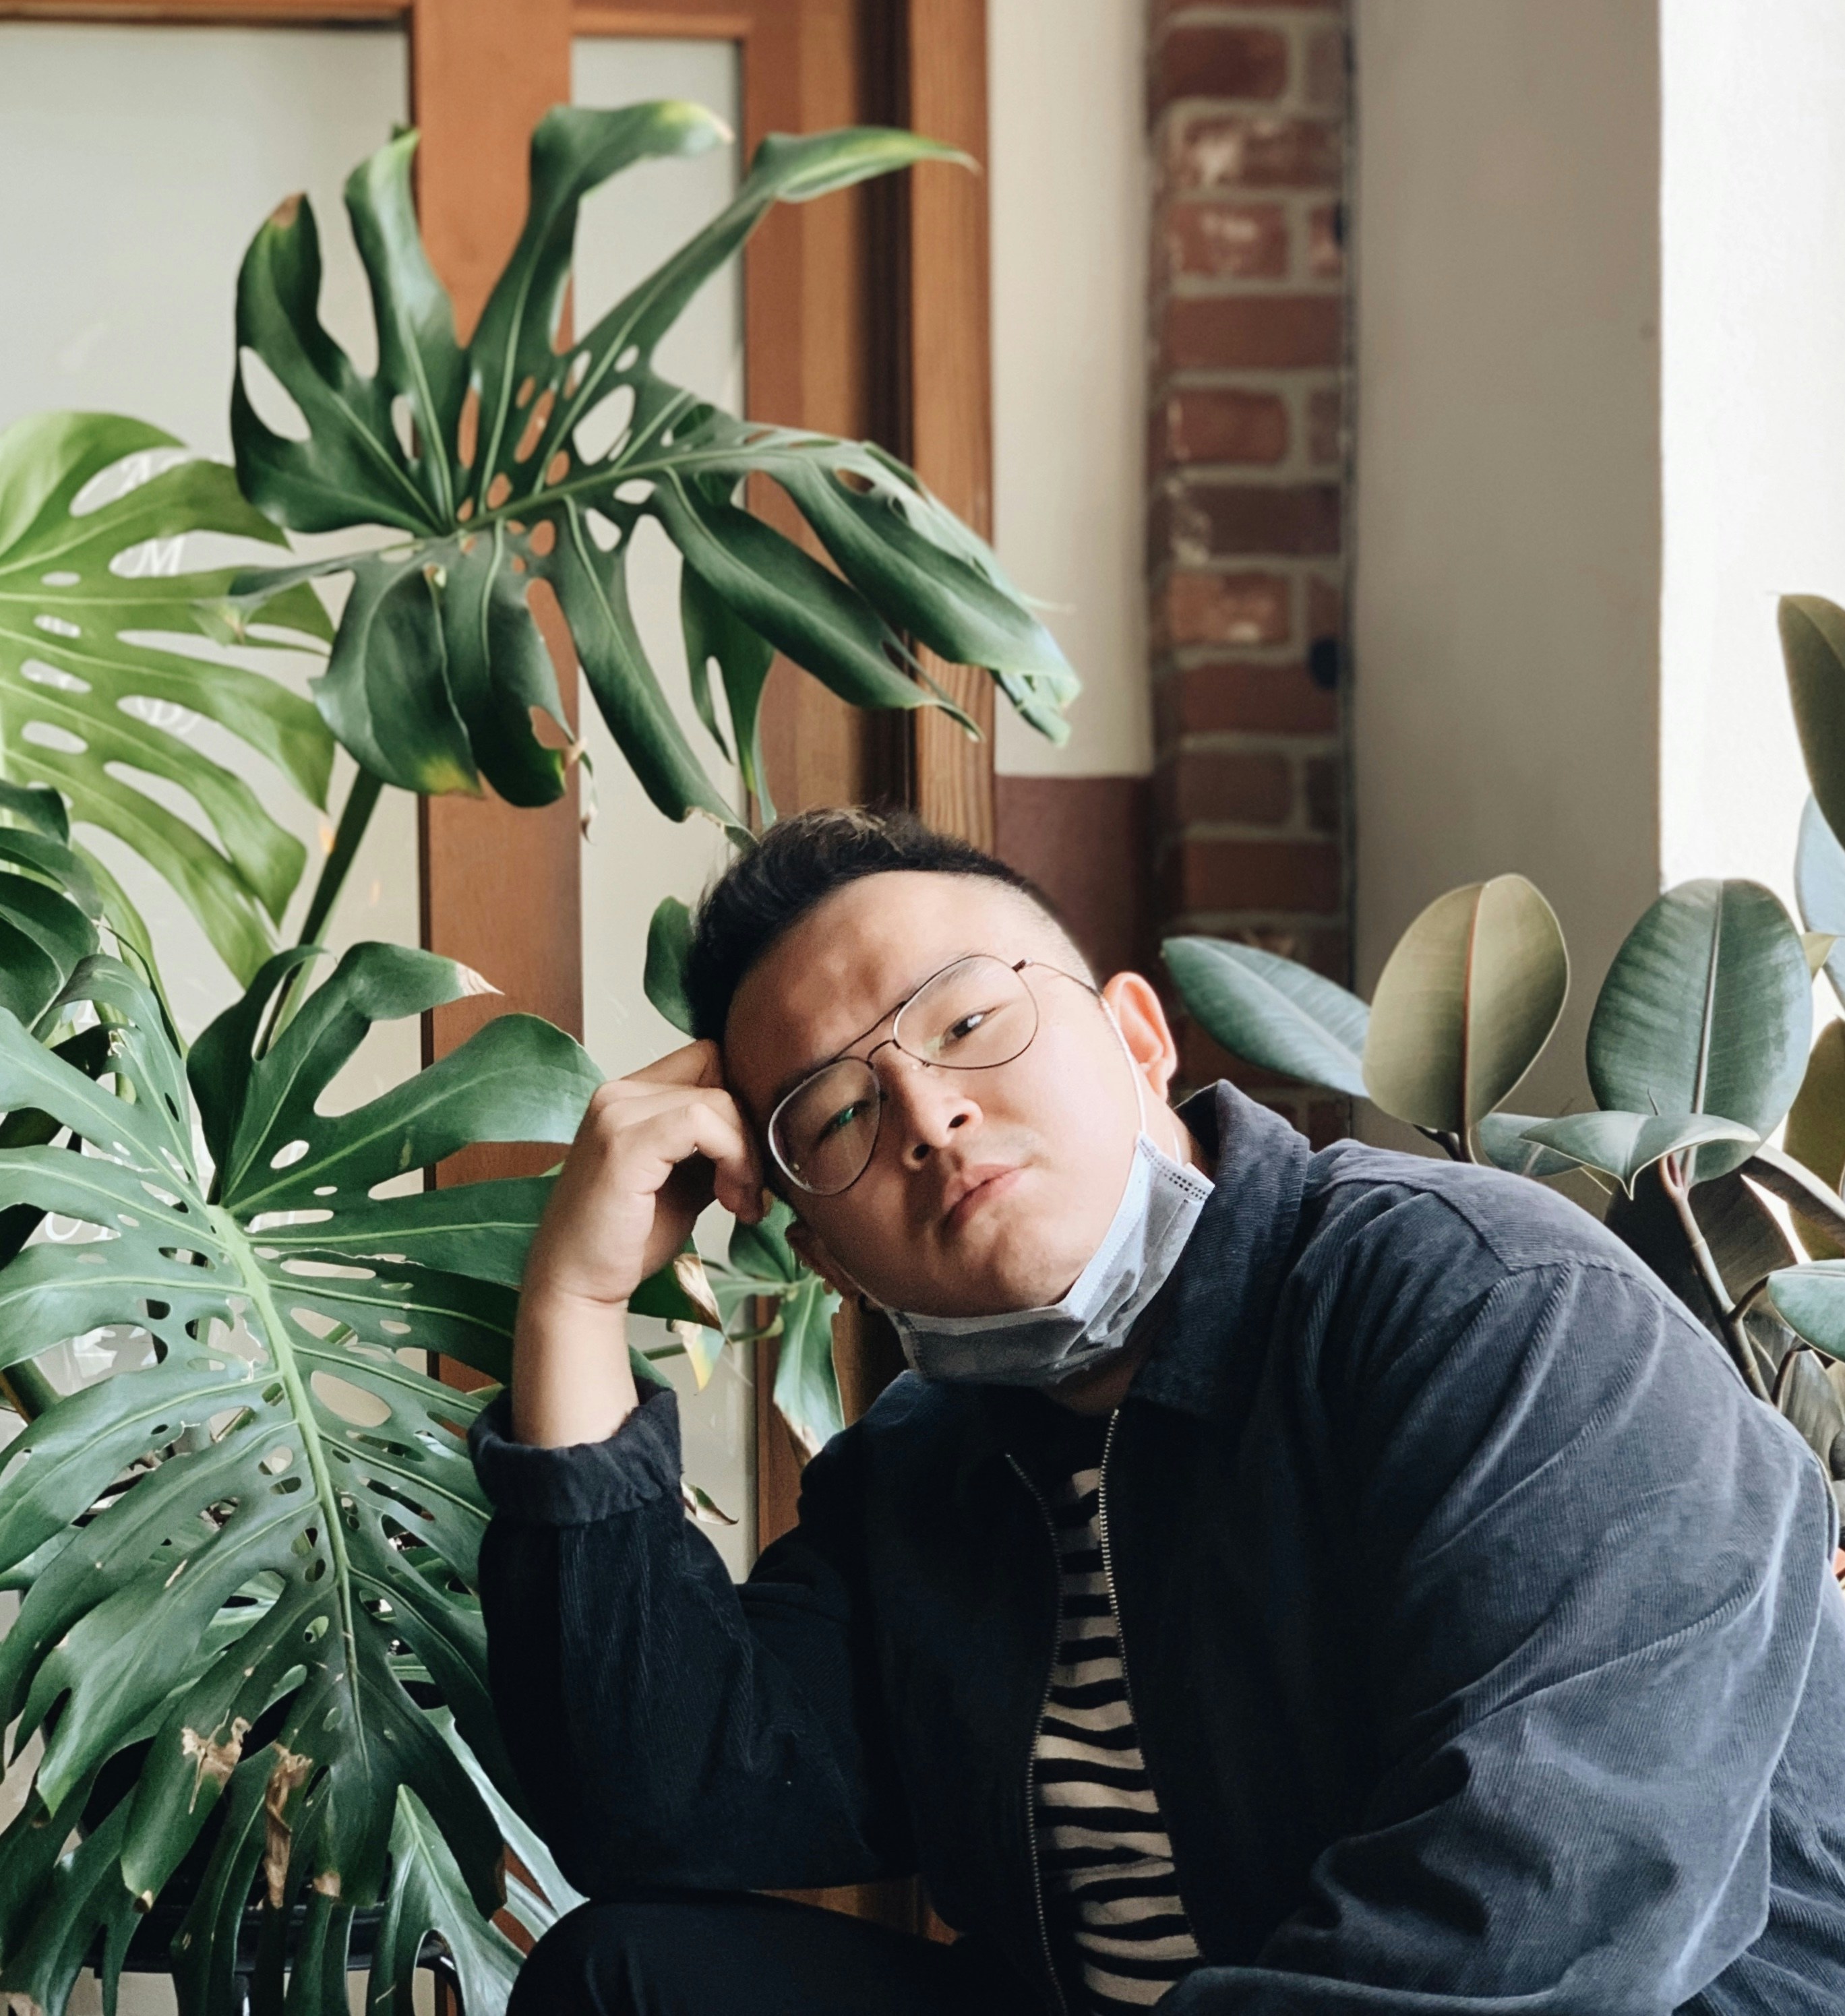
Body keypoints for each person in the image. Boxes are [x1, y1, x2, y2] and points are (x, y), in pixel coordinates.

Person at [471, 807, 1845, 2016]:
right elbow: (658, 1804)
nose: (928, 1116)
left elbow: (1531, 1907)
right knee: (630, 1976)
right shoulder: (928, 1470)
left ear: (1138, 1036)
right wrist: (573, 1304)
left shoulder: (1488, 1301)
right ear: (825, 1255)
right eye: (836, 1116)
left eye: (967, 1024)